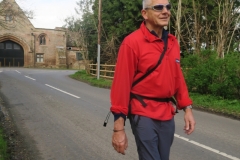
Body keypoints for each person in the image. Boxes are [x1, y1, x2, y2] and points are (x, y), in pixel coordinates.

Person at [110, 0, 196, 159]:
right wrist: (118, 128)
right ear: (144, 14)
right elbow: (121, 86)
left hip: (167, 113)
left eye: (168, 7)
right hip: (143, 113)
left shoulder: (172, 42)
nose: (165, 11)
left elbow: (177, 78)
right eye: (158, 7)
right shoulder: (132, 43)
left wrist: (187, 109)